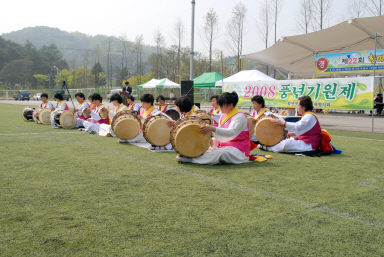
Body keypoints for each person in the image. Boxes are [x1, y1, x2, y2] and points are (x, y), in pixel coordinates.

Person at [177, 92, 250, 165]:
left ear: (230, 105)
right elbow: (221, 132)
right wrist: (210, 138)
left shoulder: (240, 117)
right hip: (224, 144)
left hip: (239, 150)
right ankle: (191, 156)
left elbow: (231, 132)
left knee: (220, 153)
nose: (220, 108)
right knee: (206, 147)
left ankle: (191, 160)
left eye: (222, 106)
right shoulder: (224, 115)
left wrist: (212, 128)